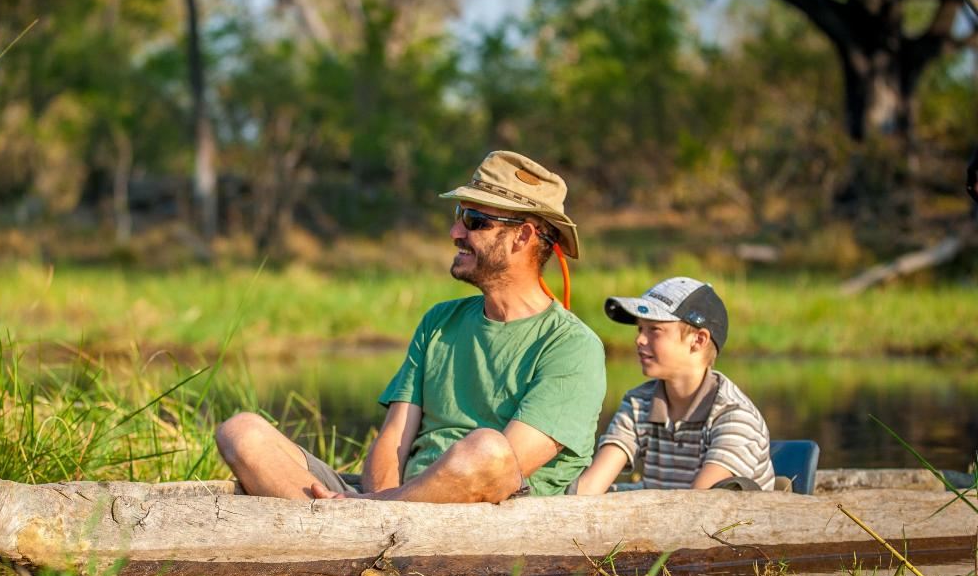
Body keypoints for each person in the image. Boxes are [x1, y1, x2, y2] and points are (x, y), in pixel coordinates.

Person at [216, 150, 607, 503]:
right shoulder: (440, 321)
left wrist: (374, 510)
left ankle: (345, 530)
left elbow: (502, 470)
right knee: (241, 431)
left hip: (479, 514)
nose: (456, 232)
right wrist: (382, 506)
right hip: (383, 507)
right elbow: (392, 442)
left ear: (522, 236)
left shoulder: (573, 346)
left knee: (487, 448)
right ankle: (349, 536)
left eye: (474, 221)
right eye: (459, 217)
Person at [574, 276, 775, 494]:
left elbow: (698, 507)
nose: (639, 340)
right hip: (667, 522)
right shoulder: (638, 403)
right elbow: (589, 489)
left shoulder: (734, 416)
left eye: (654, 330)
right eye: (640, 329)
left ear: (698, 340)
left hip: (716, 527)